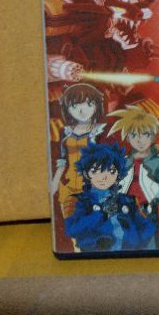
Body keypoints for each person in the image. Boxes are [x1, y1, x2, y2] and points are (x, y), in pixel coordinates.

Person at [64, 142, 156, 252]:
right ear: (86, 174)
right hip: (96, 254)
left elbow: (148, 227)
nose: (104, 177)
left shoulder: (128, 200)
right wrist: (99, 215)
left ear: (118, 174)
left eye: (111, 171)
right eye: (95, 171)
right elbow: (71, 229)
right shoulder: (80, 201)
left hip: (128, 253)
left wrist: (136, 240)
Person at [108, 103, 159, 246]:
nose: (139, 140)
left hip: (147, 216)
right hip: (121, 217)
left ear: (154, 135)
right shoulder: (122, 162)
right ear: (128, 137)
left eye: (145, 134)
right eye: (134, 135)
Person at [51, 83, 106, 218]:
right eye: (74, 106)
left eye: (88, 104)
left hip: (93, 187)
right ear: (68, 108)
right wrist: (53, 185)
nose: (81, 111)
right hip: (68, 186)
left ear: (96, 105)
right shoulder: (66, 131)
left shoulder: (101, 130)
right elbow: (62, 162)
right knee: (71, 223)